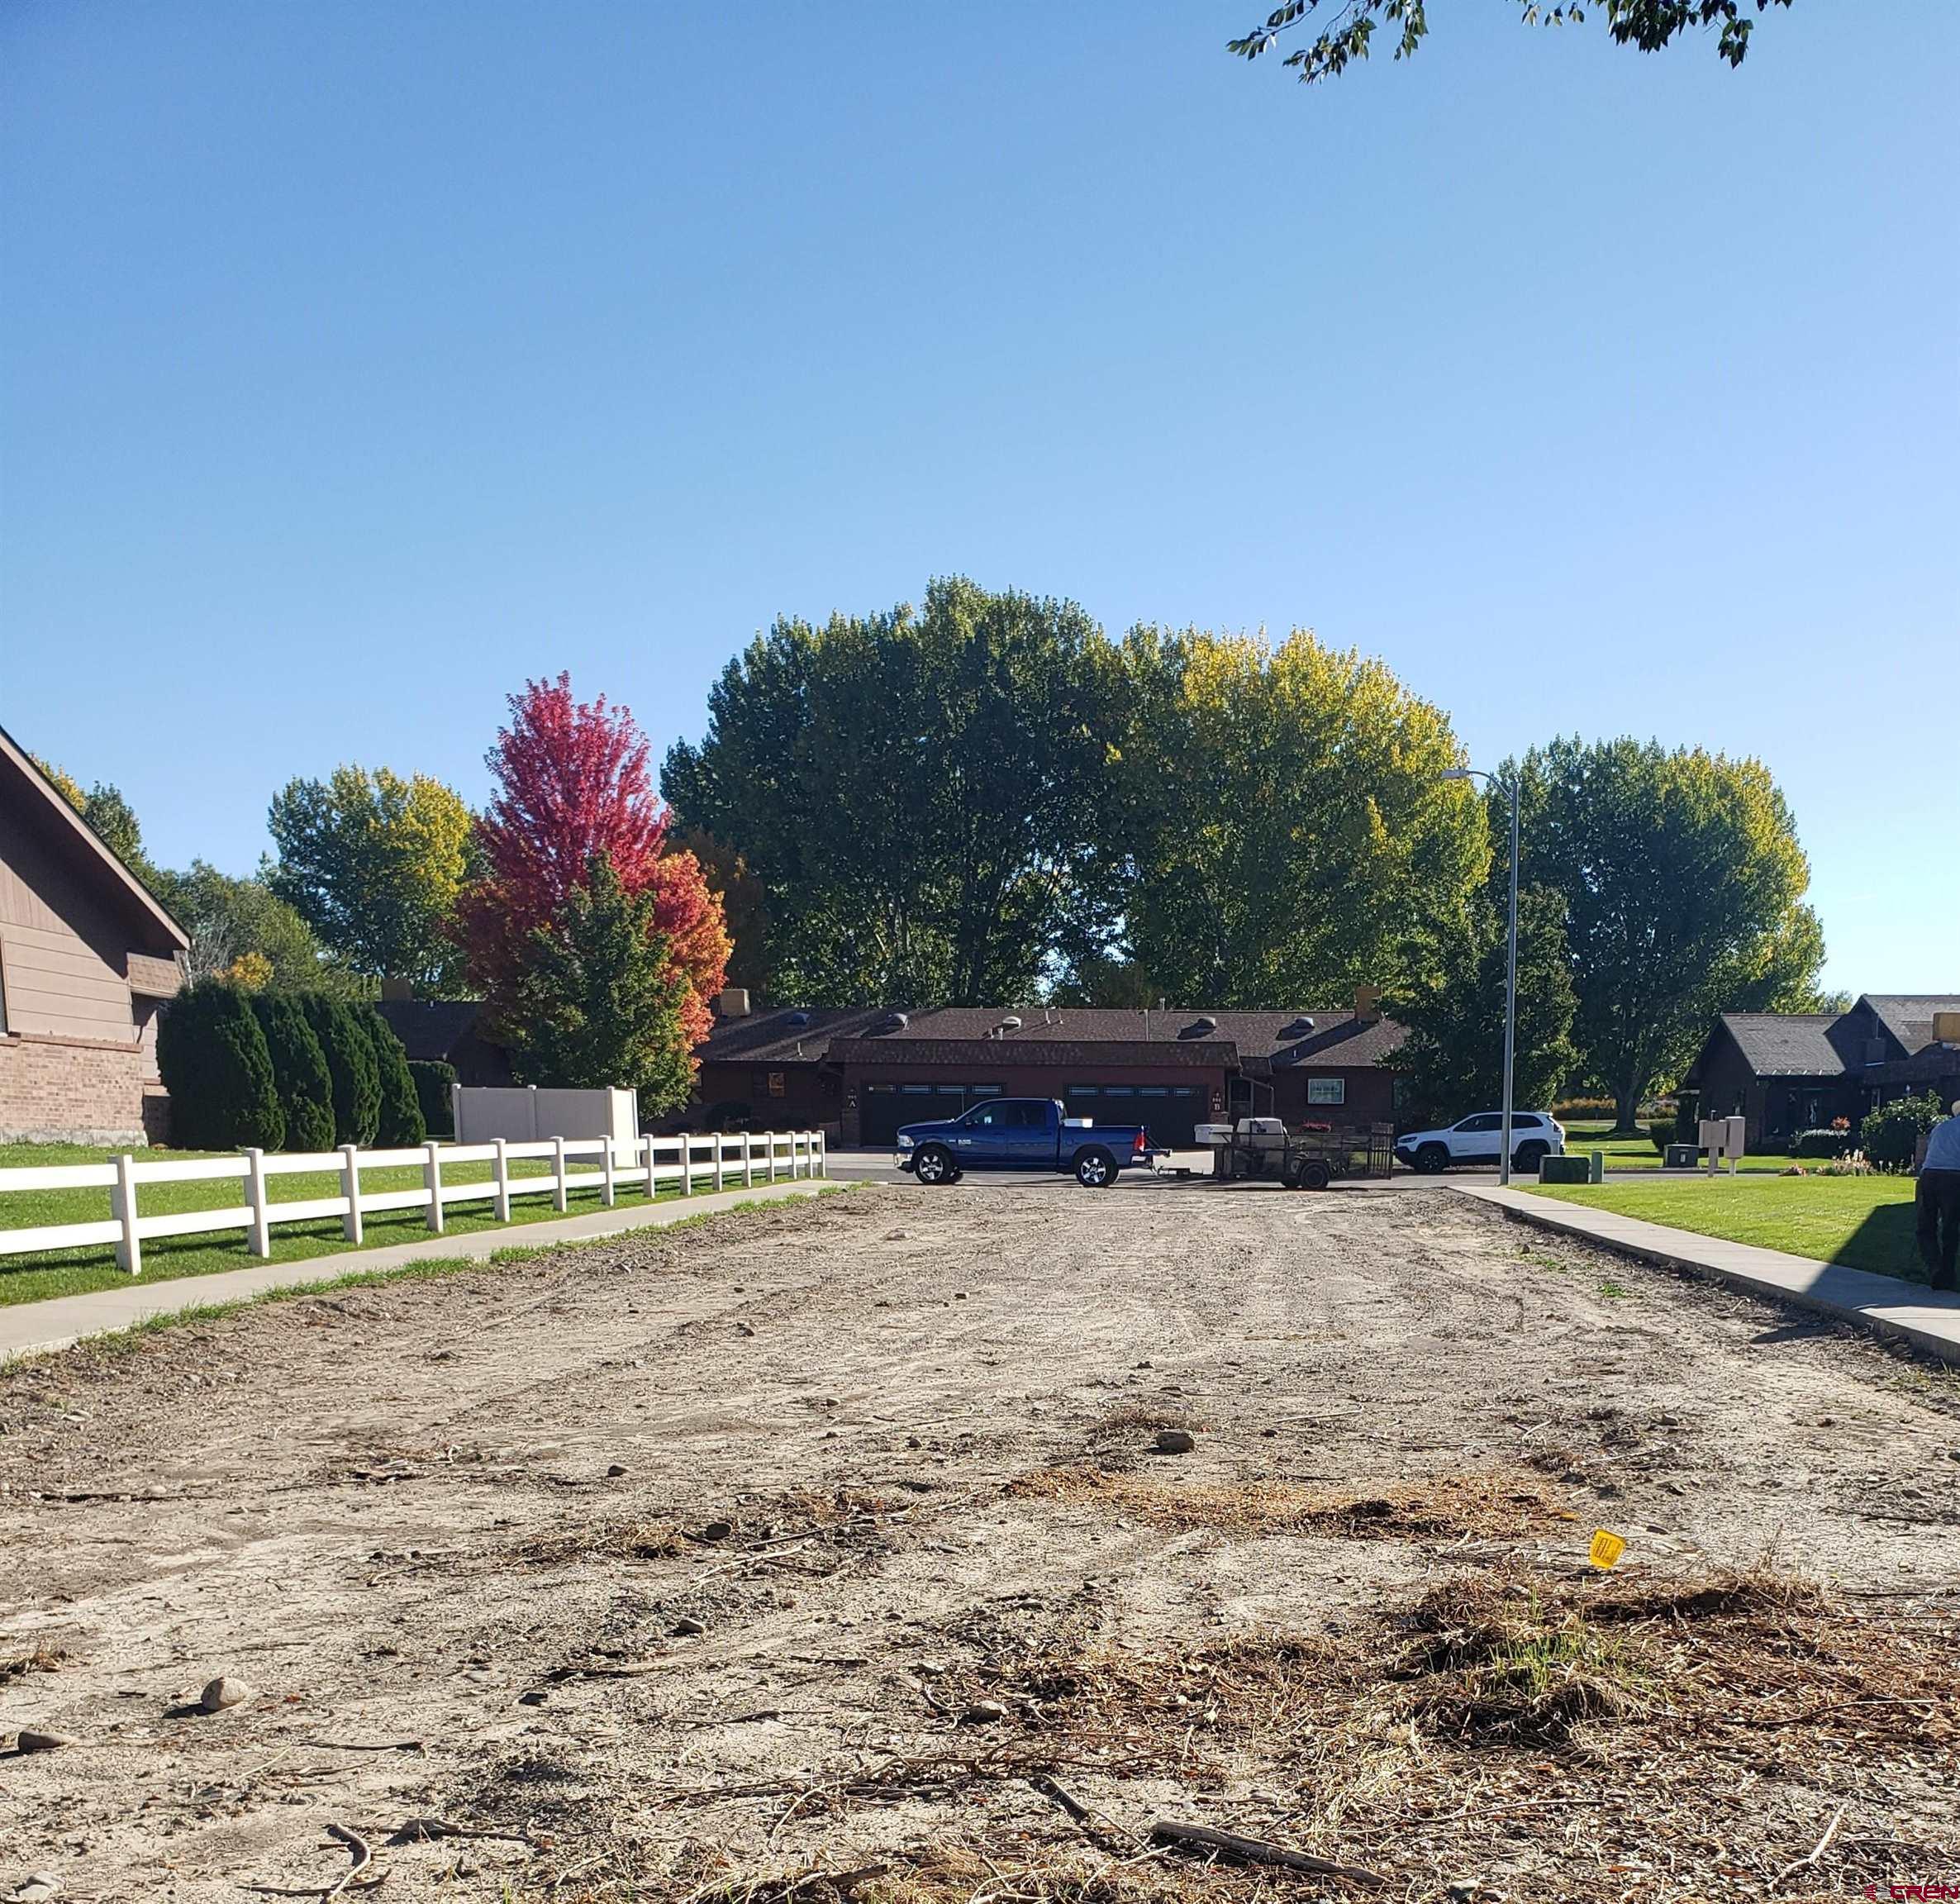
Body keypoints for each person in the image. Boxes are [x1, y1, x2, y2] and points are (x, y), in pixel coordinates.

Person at [1917, 1099, 1960, 1292]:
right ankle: (1948, 1273)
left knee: (1926, 1225)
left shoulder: (1941, 1127)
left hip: (1928, 1175)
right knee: (1950, 1226)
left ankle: (1934, 1266)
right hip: (1953, 1177)